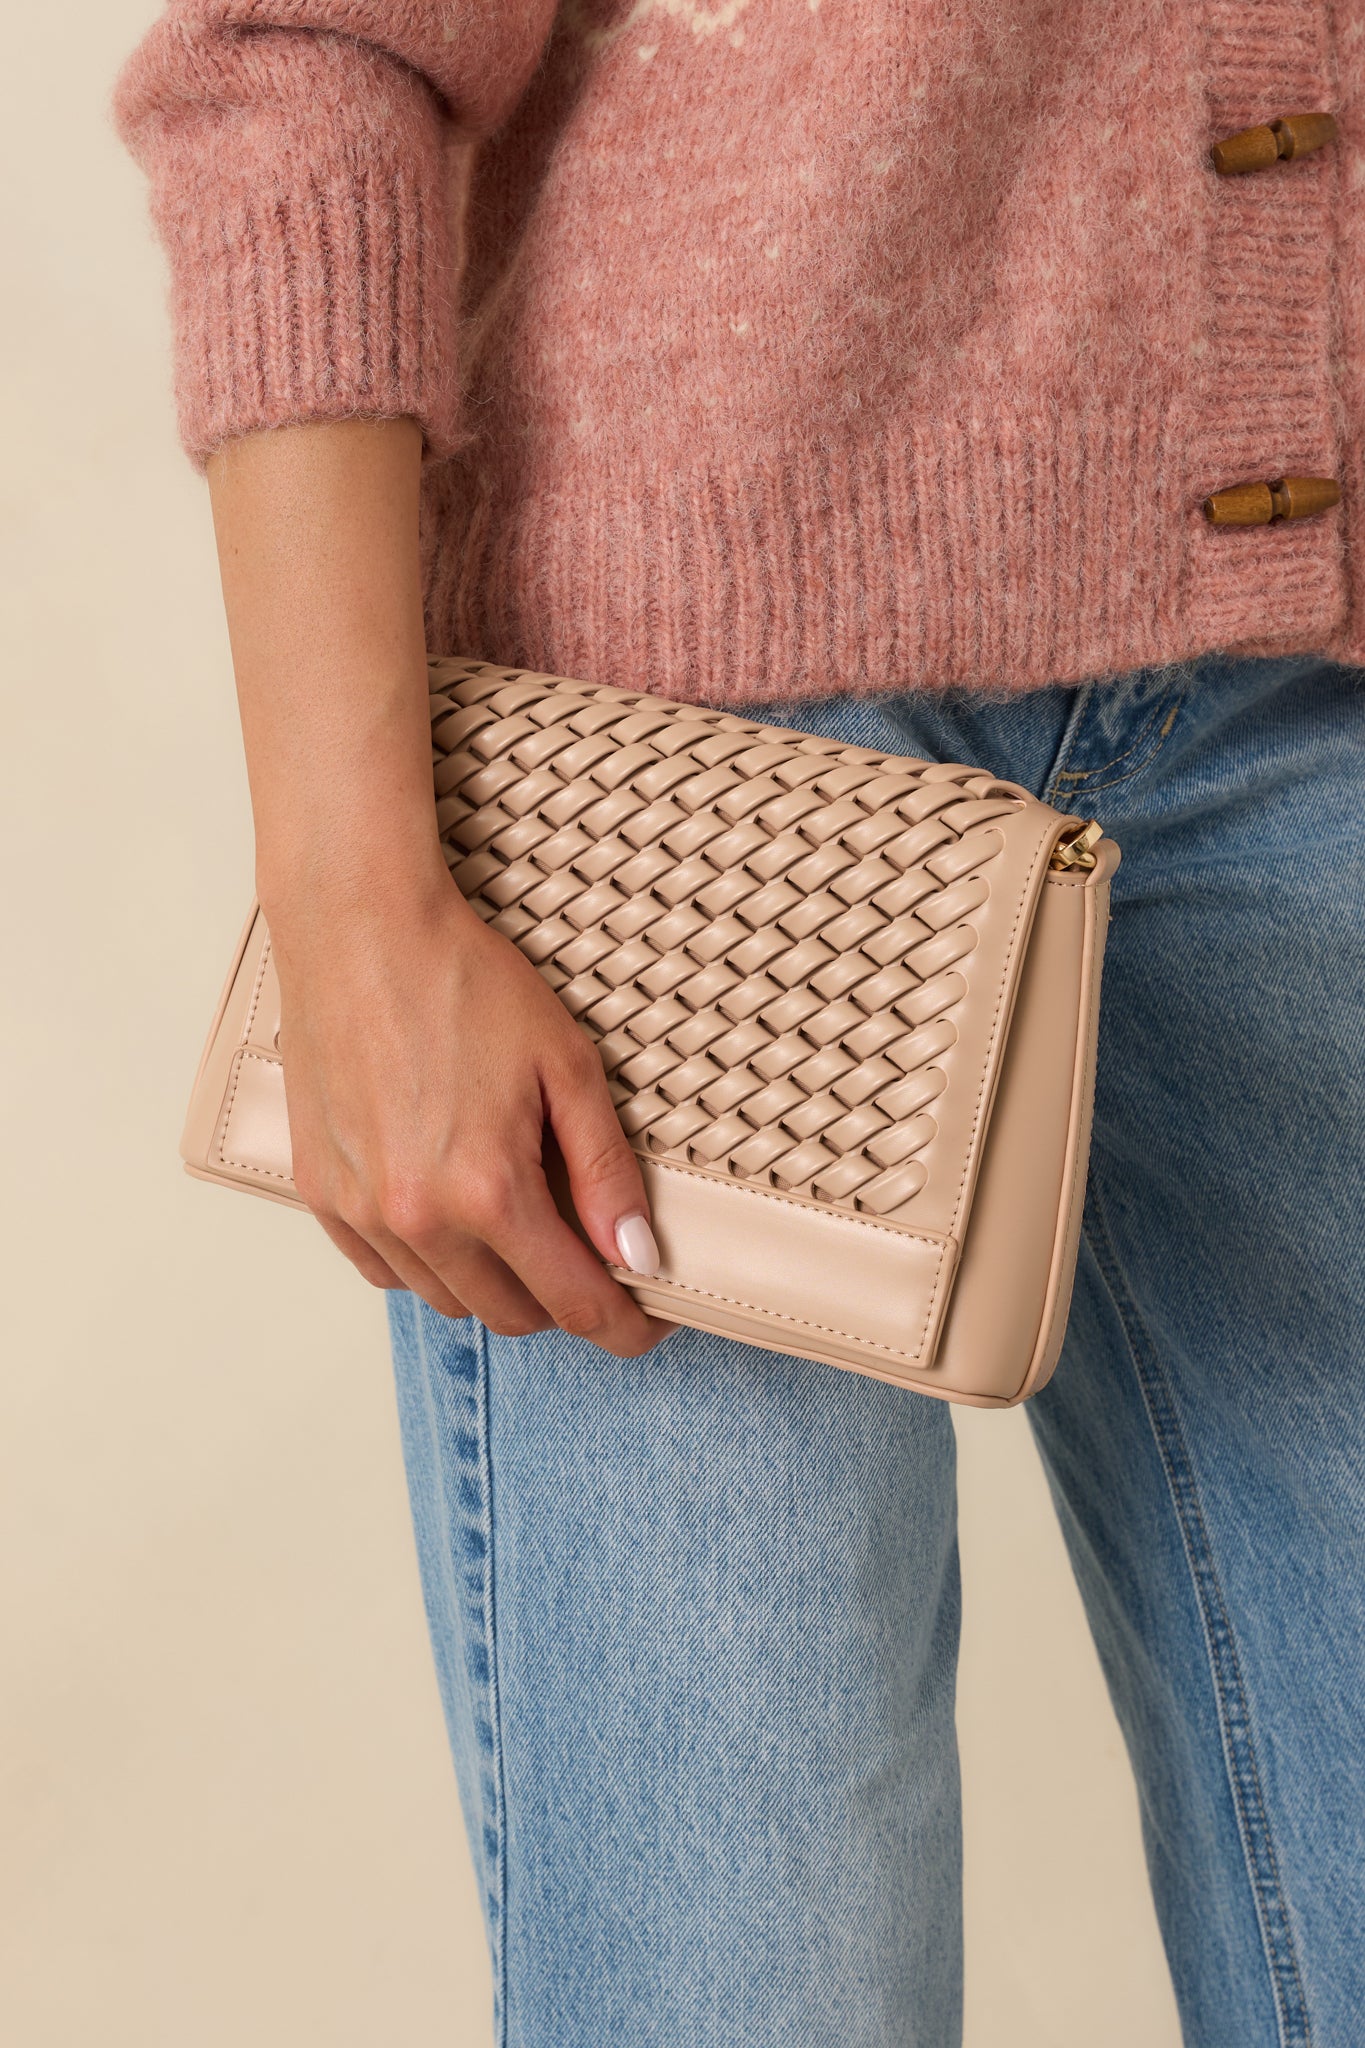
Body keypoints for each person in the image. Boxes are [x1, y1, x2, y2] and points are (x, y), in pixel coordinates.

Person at [110, 6, 1365, 2041]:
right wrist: (351, 896)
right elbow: (308, 47)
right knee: (744, 1995)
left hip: (1313, 720)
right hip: (690, 810)